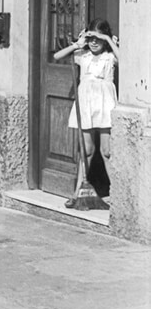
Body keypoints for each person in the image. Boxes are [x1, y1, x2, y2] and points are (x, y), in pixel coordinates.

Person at [53, 18, 119, 208]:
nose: (94, 42)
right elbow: (58, 56)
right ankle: (77, 193)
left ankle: (118, 192)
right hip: (86, 103)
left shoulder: (110, 56)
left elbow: (125, 60)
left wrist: (108, 39)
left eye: (98, 39)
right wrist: (77, 44)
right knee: (87, 150)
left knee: (107, 151)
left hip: (105, 103)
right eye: (91, 38)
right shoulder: (83, 55)